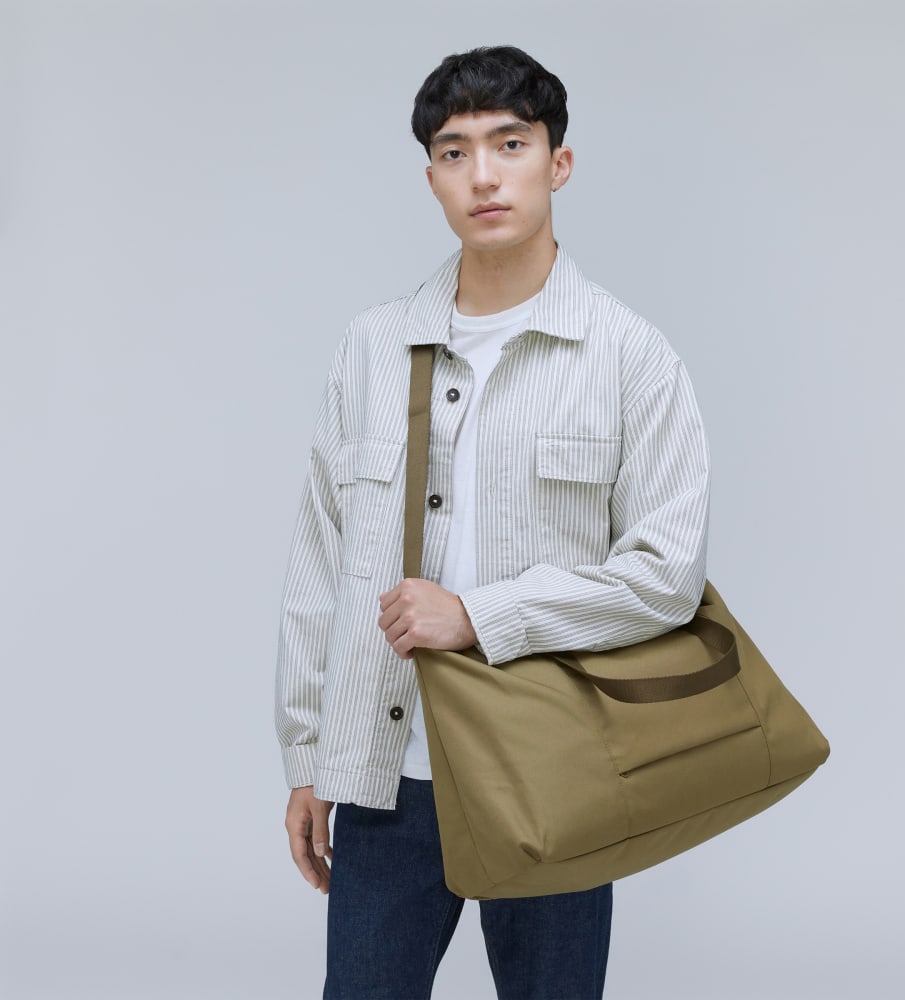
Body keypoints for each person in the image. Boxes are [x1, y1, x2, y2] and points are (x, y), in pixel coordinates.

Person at [275, 45, 711, 1000]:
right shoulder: (372, 349)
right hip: (388, 775)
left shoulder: (630, 356)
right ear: (431, 175)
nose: (483, 175)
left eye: (510, 144)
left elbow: (667, 576)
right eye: (454, 151)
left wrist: (479, 615)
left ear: (559, 162)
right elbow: (320, 560)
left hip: (552, 772)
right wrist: (308, 756)